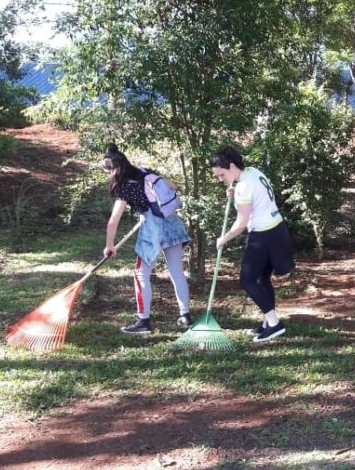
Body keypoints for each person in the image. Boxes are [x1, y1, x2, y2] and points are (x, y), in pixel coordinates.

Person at [102, 144, 191, 335]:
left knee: (141, 273)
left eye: (107, 172)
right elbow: (173, 187)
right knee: (176, 270)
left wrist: (109, 245)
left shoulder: (125, 188)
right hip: (172, 221)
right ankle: (185, 316)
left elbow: (113, 221)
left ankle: (143, 321)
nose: (106, 176)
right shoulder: (145, 172)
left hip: (154, 229)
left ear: (115, 169)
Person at [209, 146, 295, 344]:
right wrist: (234, 188)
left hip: (263, 236)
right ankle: (268, 323)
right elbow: (255, 195)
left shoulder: (243, 187)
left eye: (221, 174)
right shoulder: (252, 173)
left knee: (247, 280)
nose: (220, 178)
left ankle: (274, 324)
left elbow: (241, 223)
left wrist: (224, 239)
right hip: (277, 229)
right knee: (262, 278)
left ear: (231, 166)